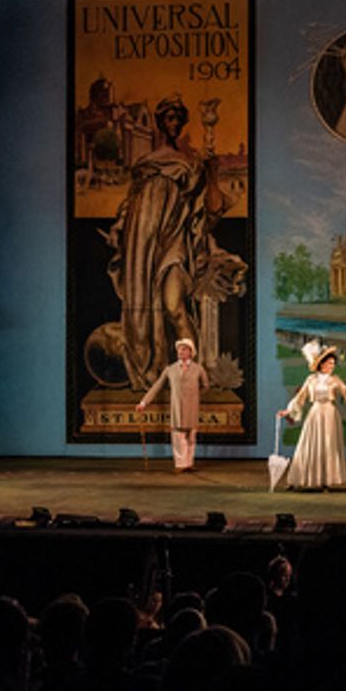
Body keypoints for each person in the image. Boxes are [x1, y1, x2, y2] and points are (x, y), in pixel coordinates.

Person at [105, 95, 246, 392]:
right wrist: (120, 231)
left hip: (174, 240)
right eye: (169, 118)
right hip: (142, 242)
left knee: (174, 307)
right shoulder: (145, 164)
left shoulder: (191, 164)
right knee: (142, 308)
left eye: (178, 119)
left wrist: (212, 173)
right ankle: (150, 371)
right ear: (160, 122)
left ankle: (193, 376)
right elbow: (129, 206)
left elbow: (213, 208)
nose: (174, 124)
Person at [278, 342, 346, 491]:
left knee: (327, 446)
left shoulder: (335, 380)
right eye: (329, 363)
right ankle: (298, 479)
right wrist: (287, 411)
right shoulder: (311, 379)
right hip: (315, 413)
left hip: (329, 414)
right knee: (307, 445)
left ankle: (325, 480)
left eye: (333, 363)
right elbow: (300, 398)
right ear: (321, 364)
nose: (331, 366)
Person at [136, 337, 209, 472]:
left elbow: (205, 386)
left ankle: (189, 463)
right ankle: (180, 464)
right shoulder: (171, 369)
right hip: (177, 408)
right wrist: (143, 402)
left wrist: (195, 396)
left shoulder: (198, 369)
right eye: (179, 349)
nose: (181, 351)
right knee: (178, 436)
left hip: (192, 407)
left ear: (191, 352)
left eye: (184, 349)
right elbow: (156, 387)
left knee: (191, 436)